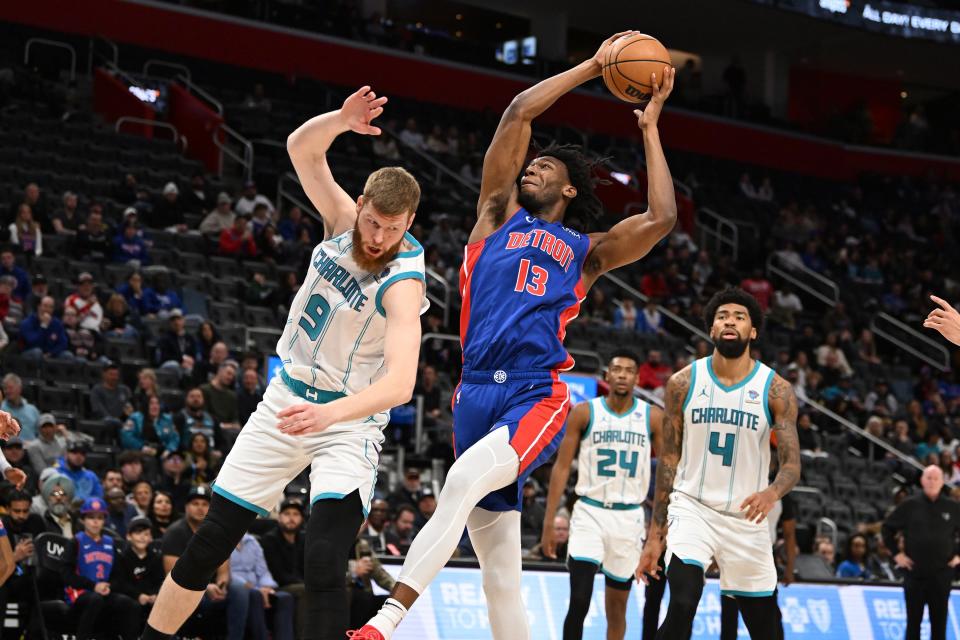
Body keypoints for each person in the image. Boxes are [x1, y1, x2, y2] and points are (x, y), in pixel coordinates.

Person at [358, 32, 678, 640]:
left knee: (458, 483)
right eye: (534, 160)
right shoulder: (494, 213)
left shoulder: (587, 253)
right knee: (499, 573)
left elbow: (661, 218)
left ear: (570, 189)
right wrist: (592, 66)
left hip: (536, 393)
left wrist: (651, 128)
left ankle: (388, 617)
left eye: (548, 166)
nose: (533, 164)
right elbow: (518, 114)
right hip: (473, 392)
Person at [140, 86, 426, 640]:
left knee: (322, 559)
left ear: (409, 221)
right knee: (209, 544)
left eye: (393, 229)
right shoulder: (342, 221)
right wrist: (341, 120)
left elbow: (401, 383)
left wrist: (332, 415)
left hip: (347, 422)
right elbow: (301, 148)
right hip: (287, 398)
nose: (379, 237)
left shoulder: (403, 283)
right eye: (373, 223)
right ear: (361, 204)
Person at [637, 287, 801, 640]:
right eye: (722, 316)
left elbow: (791, 464)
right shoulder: (682, 383)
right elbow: (668, 458)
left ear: (752, 332)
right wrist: (655, 536)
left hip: (747, 518)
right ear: (712, 330)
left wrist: (772, 493)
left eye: (740, 317)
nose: (730, 321)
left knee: (767, 629)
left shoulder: (776, 389)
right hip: (692, 508)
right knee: (682, 602)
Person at [540, 350, 662, 640]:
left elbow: (667, 476)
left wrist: (658, 530)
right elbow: (560, 468)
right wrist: (549, 521)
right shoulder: (584, 412)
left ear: (636, 378)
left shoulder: (653, 417)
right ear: (607, 375)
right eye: (616, 369)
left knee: (617, 607)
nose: (622, 374)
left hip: (629, 517)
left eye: (629, 370)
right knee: (580, 599)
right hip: (589, 513)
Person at [882, 465, 960, 640]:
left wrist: (958, 556)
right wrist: (897, 554)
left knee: (939, 623)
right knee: (913, 623)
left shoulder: (953, 507)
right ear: (922, 480)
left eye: (936, 478)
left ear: (942, 482)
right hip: (914, 573)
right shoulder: (910, 505)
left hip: (941, 574)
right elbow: (887, 528)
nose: (932, 482)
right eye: (929, 478)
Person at [62, 497, 141, 640]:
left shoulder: (110, 544)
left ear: (105, 520)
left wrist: (109, 586)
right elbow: (66, 575)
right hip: (80, 594)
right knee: (95, 599)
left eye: (99, 517)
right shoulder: (75, 542)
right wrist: (93, 586)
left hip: (103, 593)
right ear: (83, 520)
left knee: (130, 605)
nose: (95, 521)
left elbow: (119, 575)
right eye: (91, 517)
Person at [261, 499, 307, 637]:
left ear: (302, 518)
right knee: (306, 590)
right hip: (276, 586)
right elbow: (277, 574)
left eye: (295, 514)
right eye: (287, 513)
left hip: (300, 585)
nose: (291, 518)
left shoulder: (305, 539)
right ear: (279, 517)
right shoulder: (269, 539)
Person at [111, 515, 164, 620]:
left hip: (151, 599)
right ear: (128, 536)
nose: (142, 537)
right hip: (130, 599)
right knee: (132, 606)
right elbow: (120, 583)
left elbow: (159, 581)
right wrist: (138, 595)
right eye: (138, 533)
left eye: (146, 534)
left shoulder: (156, 557)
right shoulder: (122, 557)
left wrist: (155, 594)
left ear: (151, 538)